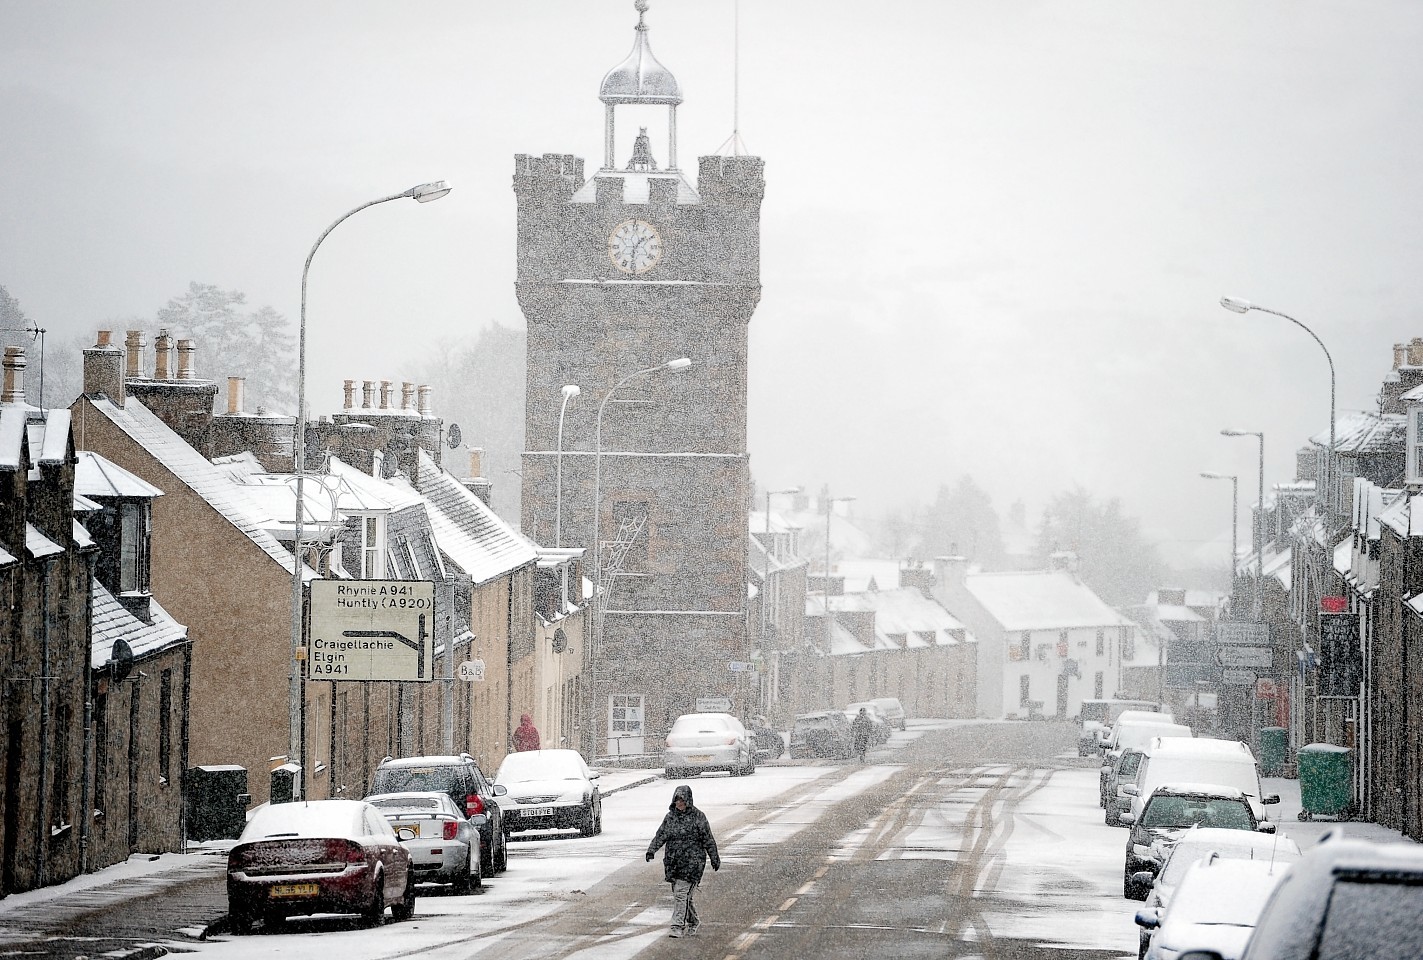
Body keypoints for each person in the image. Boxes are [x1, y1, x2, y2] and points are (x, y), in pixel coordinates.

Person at [645, 784, 720, 938]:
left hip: (693, 863)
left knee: (680, 894)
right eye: (677, 800)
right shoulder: (670, 817)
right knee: (683, 895)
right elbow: (661, 835)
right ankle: (693, 921)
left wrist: (714, 857)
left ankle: (677, 926)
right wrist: (652, 850)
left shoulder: (698, 817)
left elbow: (708, 839)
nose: (679, 803)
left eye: (682, 800)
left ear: (688, 800)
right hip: (674, 863)